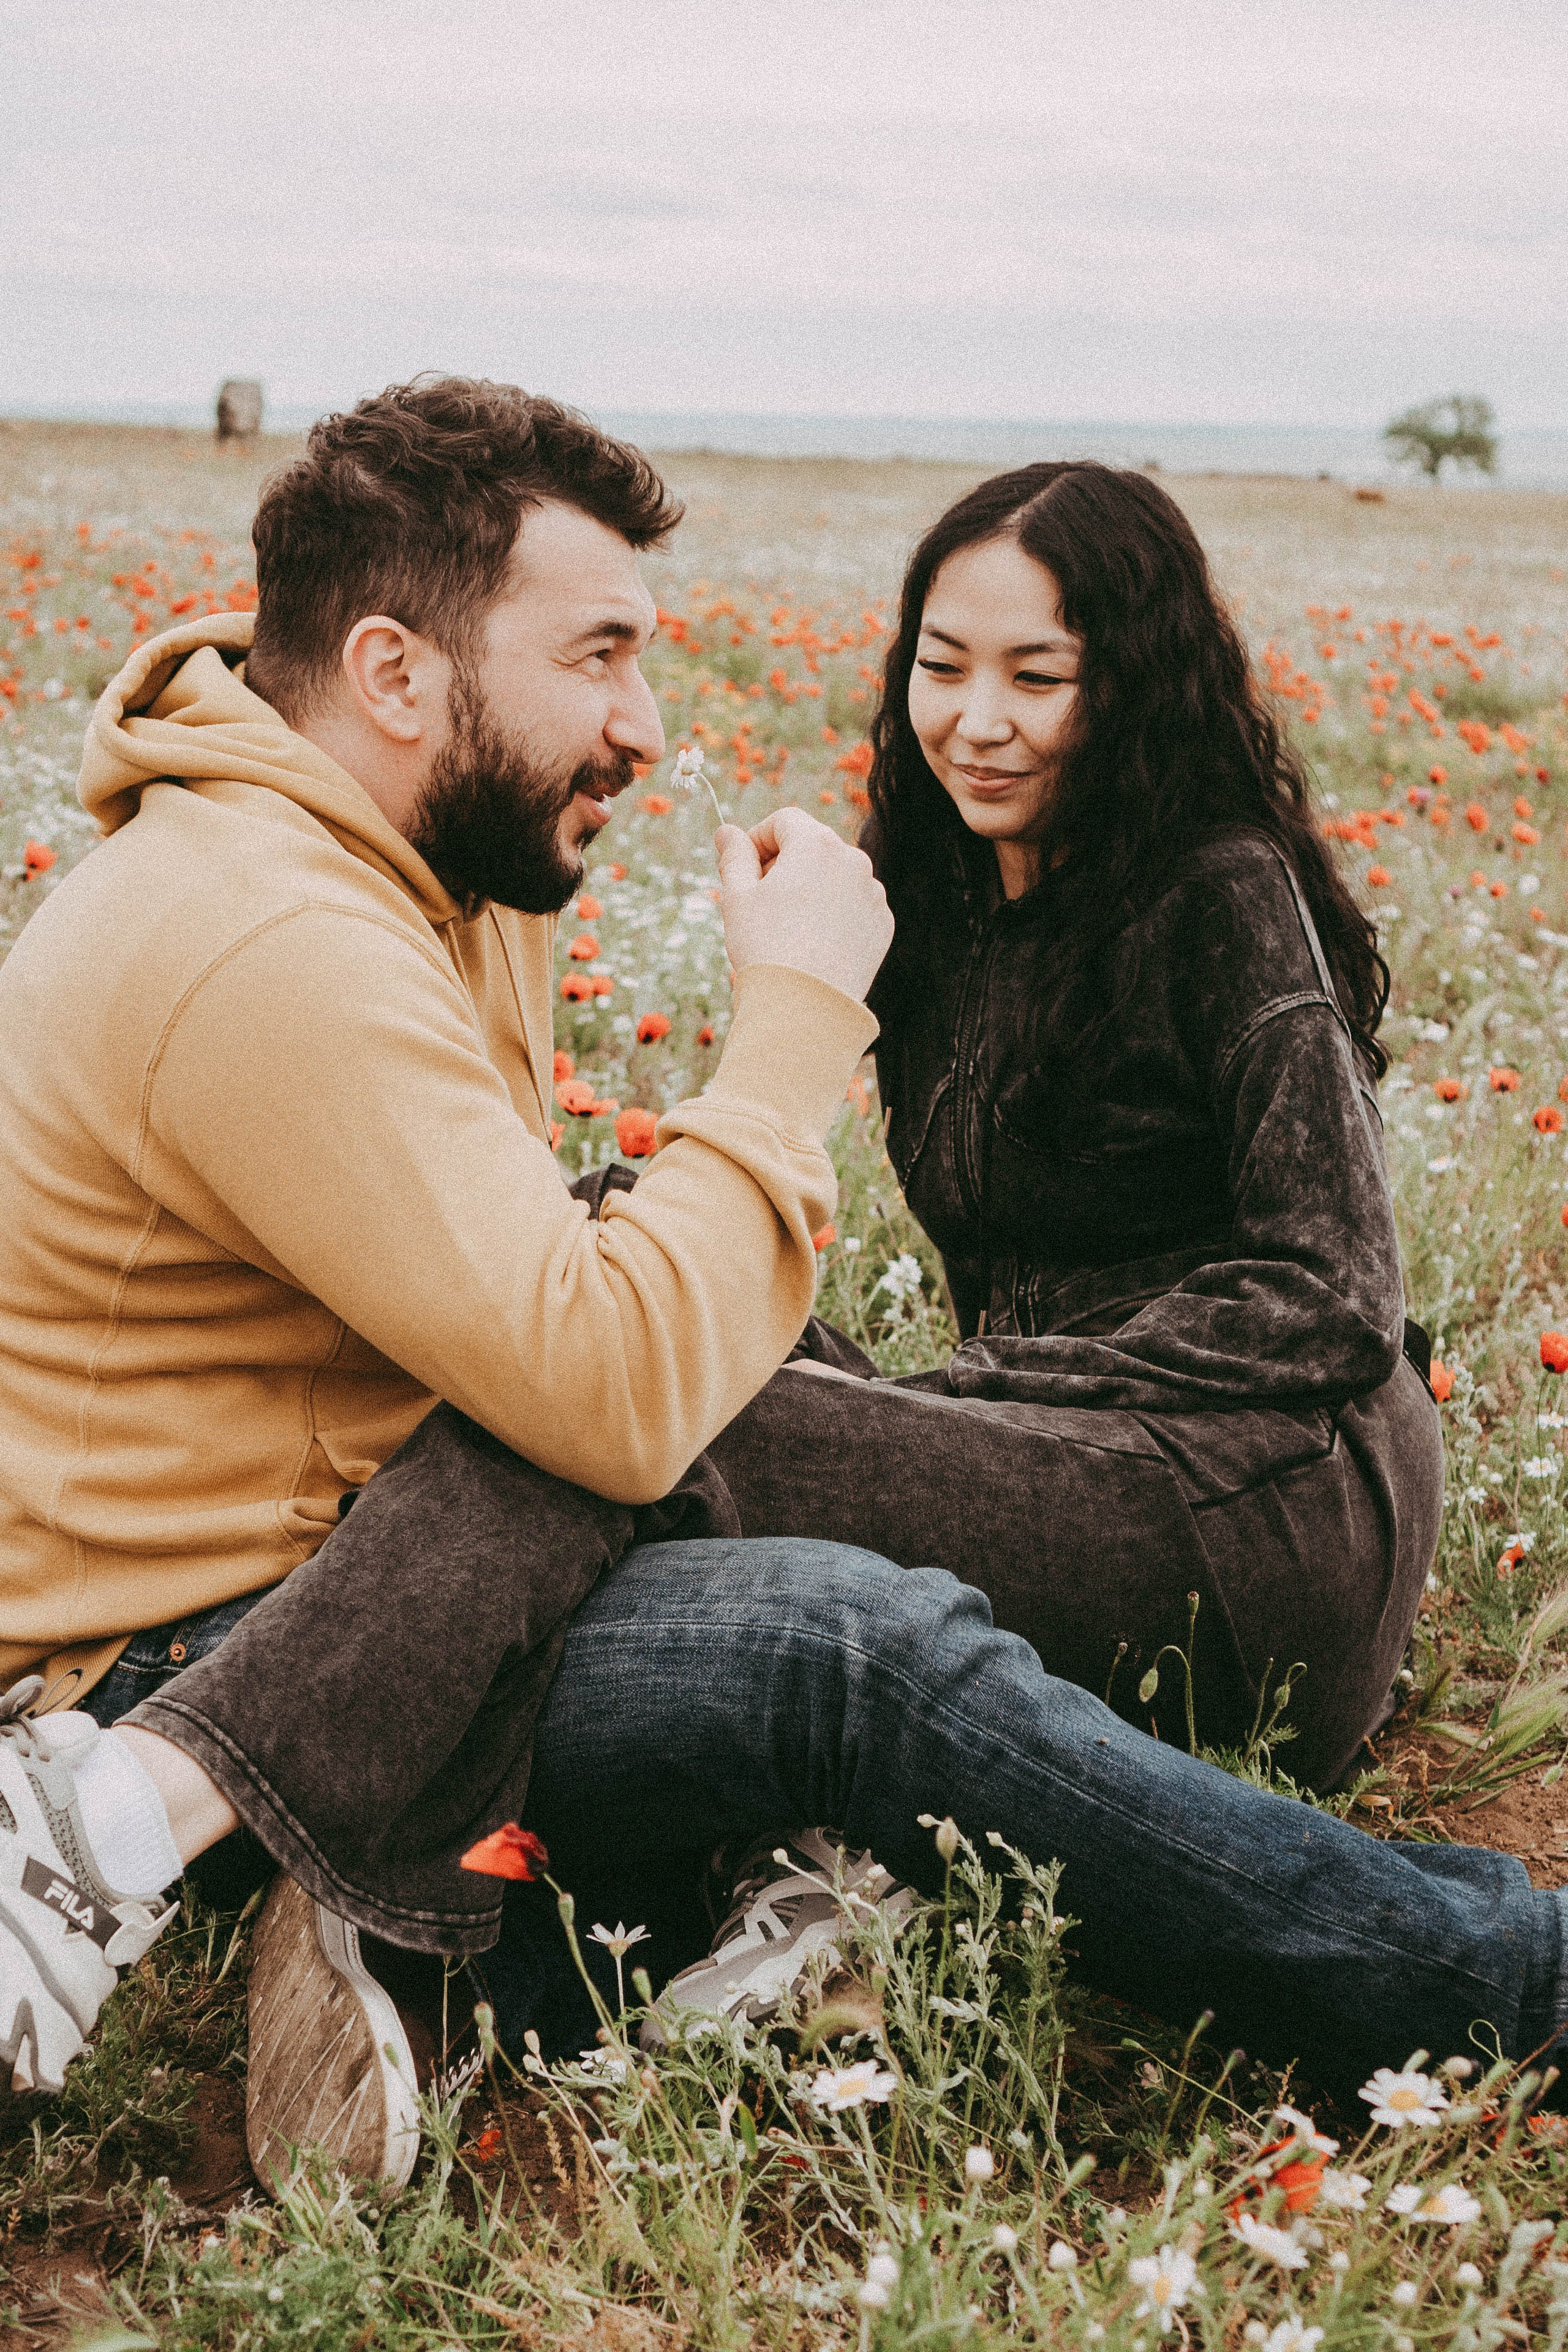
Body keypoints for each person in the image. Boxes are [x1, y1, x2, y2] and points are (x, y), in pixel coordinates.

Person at [0, 386, 1558, 2198]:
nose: (648, 725)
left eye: (1035, 675)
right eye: (599, 656)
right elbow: (605, 1381)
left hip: (1256, 1475)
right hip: (203, 1621)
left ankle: (259, 1847)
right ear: (399, 678)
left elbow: (1328, 1297)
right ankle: (322, 1859)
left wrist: (909, 1405)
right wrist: (795, 1029)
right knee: (831, 1614)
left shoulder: (397, 864)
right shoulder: (279, 929)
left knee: (716, 1420)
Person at [709, 461, 1442, 1796]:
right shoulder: (934, 901)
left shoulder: (1218, 891)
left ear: (1129, 687)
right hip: (1057, 1468)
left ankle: (267, 1771)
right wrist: (787, 983)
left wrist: (955, 1396)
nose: (975, 723)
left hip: (1263, 1502)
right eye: (942, 667)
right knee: (592, 1265)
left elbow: (1337, 1296)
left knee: (684, 1425)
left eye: (1034, 679)